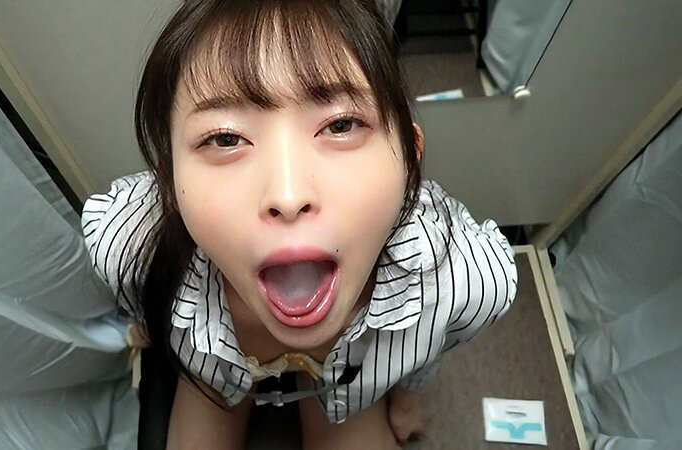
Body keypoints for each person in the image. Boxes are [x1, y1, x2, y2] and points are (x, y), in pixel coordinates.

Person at [82, 0, 518, 448]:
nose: (288, 196)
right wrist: (155, 327)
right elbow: (140, 298)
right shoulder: (127, 240)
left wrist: (405, 392)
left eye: (341, 125)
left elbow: (431, 343)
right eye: (226, 138)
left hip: (351, 378)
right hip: (213, 368)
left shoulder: (459, 280)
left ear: (409, 160)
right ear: (170, 183)